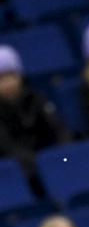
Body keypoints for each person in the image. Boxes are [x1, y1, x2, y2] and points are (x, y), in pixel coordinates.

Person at [0, 45, 68, 193]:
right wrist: (40, 163)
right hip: (23, 175)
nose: (8, 83)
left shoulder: (36, 99)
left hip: (54, 162)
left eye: (11, 75)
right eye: (1, 79)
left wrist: (58, 156)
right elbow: (8, 147)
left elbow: (58, 129)